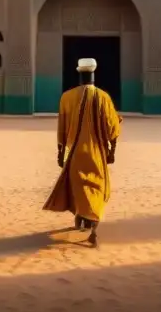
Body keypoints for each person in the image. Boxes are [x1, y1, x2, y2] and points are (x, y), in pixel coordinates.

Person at [42, 57, 122, 247]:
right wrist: (112, 152)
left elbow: (61, 128)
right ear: (94, 73)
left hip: (76, 153)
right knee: (96, 188)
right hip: (97, 154)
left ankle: (81, 221)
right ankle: (92, 227)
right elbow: (113, 128)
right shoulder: (104, 97)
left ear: (79, 73)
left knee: (79, 189)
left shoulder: (67, 98)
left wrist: (60, 152)